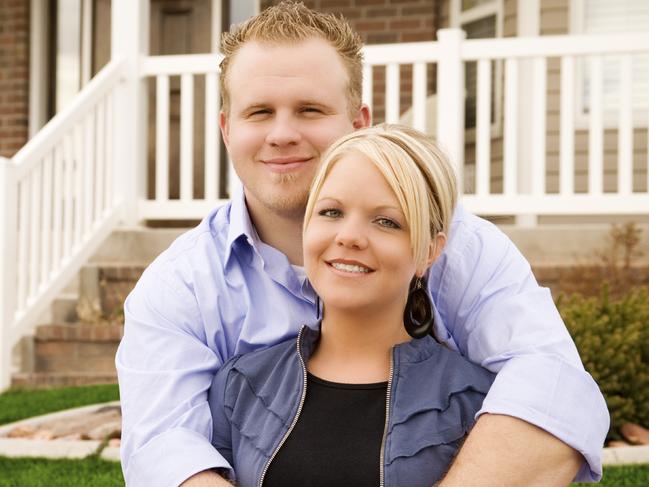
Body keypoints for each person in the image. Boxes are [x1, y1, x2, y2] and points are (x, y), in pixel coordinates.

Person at [116, 3, 608, 486]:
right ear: (227, 128)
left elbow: (553, 388)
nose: (282, 134)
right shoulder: (179, 286)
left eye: (310, 109)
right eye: (259, 112)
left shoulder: (460, 246)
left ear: (359, 123)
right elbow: (162, 449)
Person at [208, 124, 498, 487]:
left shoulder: (477, 402)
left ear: (429, 251)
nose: (349, 237)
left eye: (386, 221)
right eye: (331, 213)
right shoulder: (240, 385)